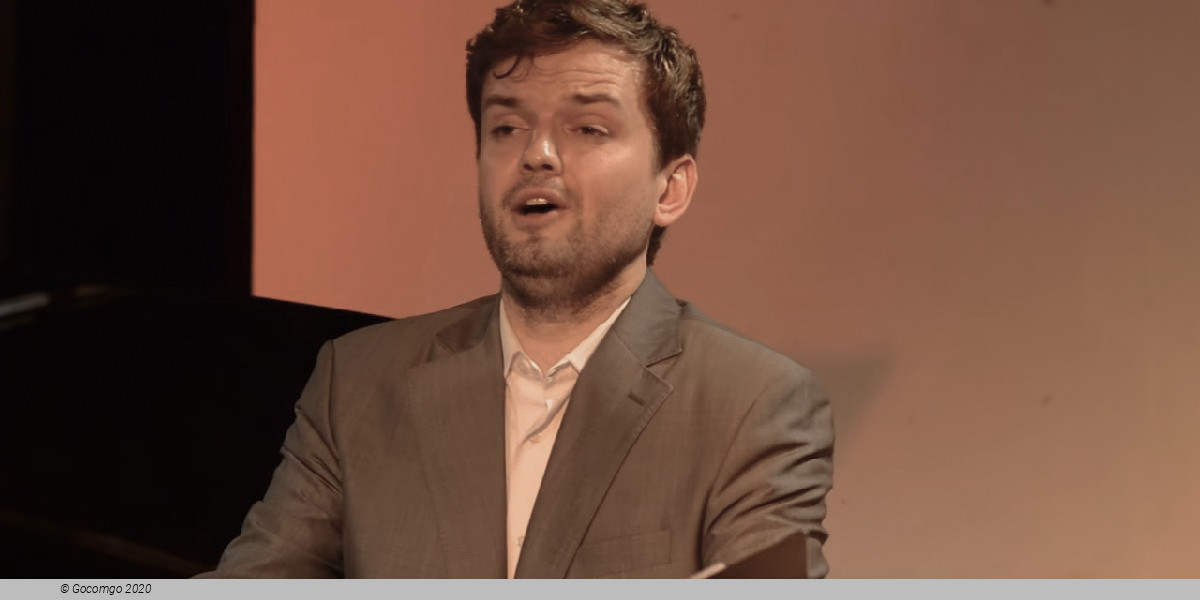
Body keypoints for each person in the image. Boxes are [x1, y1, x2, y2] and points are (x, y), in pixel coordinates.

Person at [202, 0, 833, 578]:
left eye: (588, 128)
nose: (538, 154)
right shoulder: (360, 382)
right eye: (506, 128)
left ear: (670, 188)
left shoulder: (752, 403)